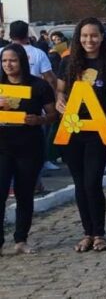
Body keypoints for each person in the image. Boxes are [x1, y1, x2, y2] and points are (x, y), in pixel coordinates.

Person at [56, 18, 106, 252]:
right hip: (72, 129)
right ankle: (87, 232)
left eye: (94, 35)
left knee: (92, 181)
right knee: (79, 183)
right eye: (84, 36)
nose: (89, 40)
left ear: (102, 37)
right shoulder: (67, 63)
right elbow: (60, 91)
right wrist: (59, 102)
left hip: (98, 130)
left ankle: (99, 233)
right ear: (78, 38)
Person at [0, 44, 57, 255]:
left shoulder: (39, 86)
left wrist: (39, 119)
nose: (8, 65)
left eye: (12, 60)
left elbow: (53, 114)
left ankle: (21, 239)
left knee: (25, 194)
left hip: (29, 147)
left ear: (22, 61)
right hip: (2, 147)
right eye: (4, 60)